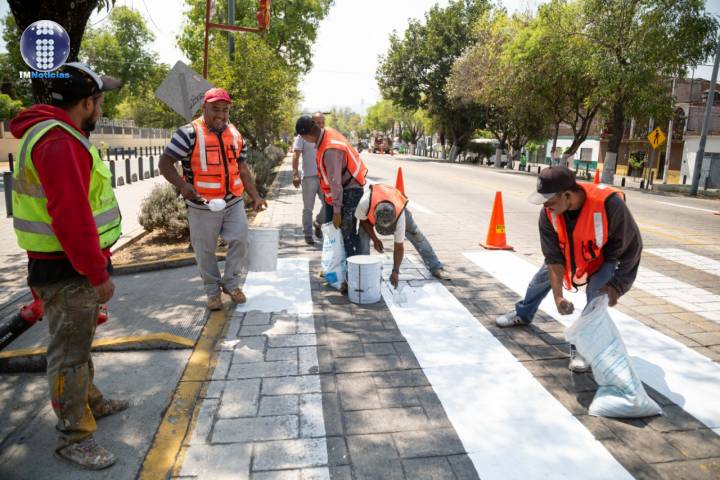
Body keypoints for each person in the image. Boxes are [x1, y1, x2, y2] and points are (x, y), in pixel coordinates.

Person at [10, 62, 126, 470]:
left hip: (62, 265)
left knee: (79, 344)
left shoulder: (54, 134)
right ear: (87, 102)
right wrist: (97, 275)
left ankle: (91, 402)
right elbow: (71, 218)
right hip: (67, 270)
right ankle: (74, 435)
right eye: (100, 101)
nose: (101, 109)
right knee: (70, 355)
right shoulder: (59, 142)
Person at [495, 166, 642, 372]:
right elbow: (553, 258)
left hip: (603, 259)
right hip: (568, 256)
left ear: (567, 195)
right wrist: (558, 297)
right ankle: (523, 313)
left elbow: (633, 249)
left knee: (596, 295)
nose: (546, 205)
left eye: (549, 200)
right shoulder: (549, 213)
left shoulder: (610, 205)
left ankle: (583, 346)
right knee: (540, 280)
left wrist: (618, 286)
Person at [159, 88, 267, 311]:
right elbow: (165, 163)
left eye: (225, 110)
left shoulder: (235, 134)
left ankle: (231, 284)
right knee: (205, 250)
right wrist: (182, 185)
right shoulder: (188, 133)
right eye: (215, 109)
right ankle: (212, 291)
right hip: (202, 205)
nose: (221, 114)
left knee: (240, 239)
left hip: (233, 201)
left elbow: (243, 169)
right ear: (204, 108)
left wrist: (255, 196)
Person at [295, 115, 368, 259]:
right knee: (330, 230)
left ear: (308, 135)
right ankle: (333, 267)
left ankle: (352, 272)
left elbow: (336, 183)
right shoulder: (325, 133)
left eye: (303, 138)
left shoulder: (330, 149)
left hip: (350, 190)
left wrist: (337, 211)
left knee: (347, 233)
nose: (304, 141)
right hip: (340, 191)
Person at [356, 183, 447, 286]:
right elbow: (363, 221)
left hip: (397, 206)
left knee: (415, 233)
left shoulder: (400, 215)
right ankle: (363, 268)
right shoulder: (364, 203)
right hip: (372, 208)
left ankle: (435, 266)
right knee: (363, 232)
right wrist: (375, 239)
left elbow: (399, 247)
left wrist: (395, 271)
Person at [292, 112, 325, 244]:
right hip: (309, 178)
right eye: (318, 123)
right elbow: (296, 156)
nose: (320, 125)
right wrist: (295, 174)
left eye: (323, 123)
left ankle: (318, 222)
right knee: (308, 208)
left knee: (329, 205)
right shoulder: (302, 136)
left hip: (324, 178)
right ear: (312, 123)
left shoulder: (325, 135)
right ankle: (308, 233)